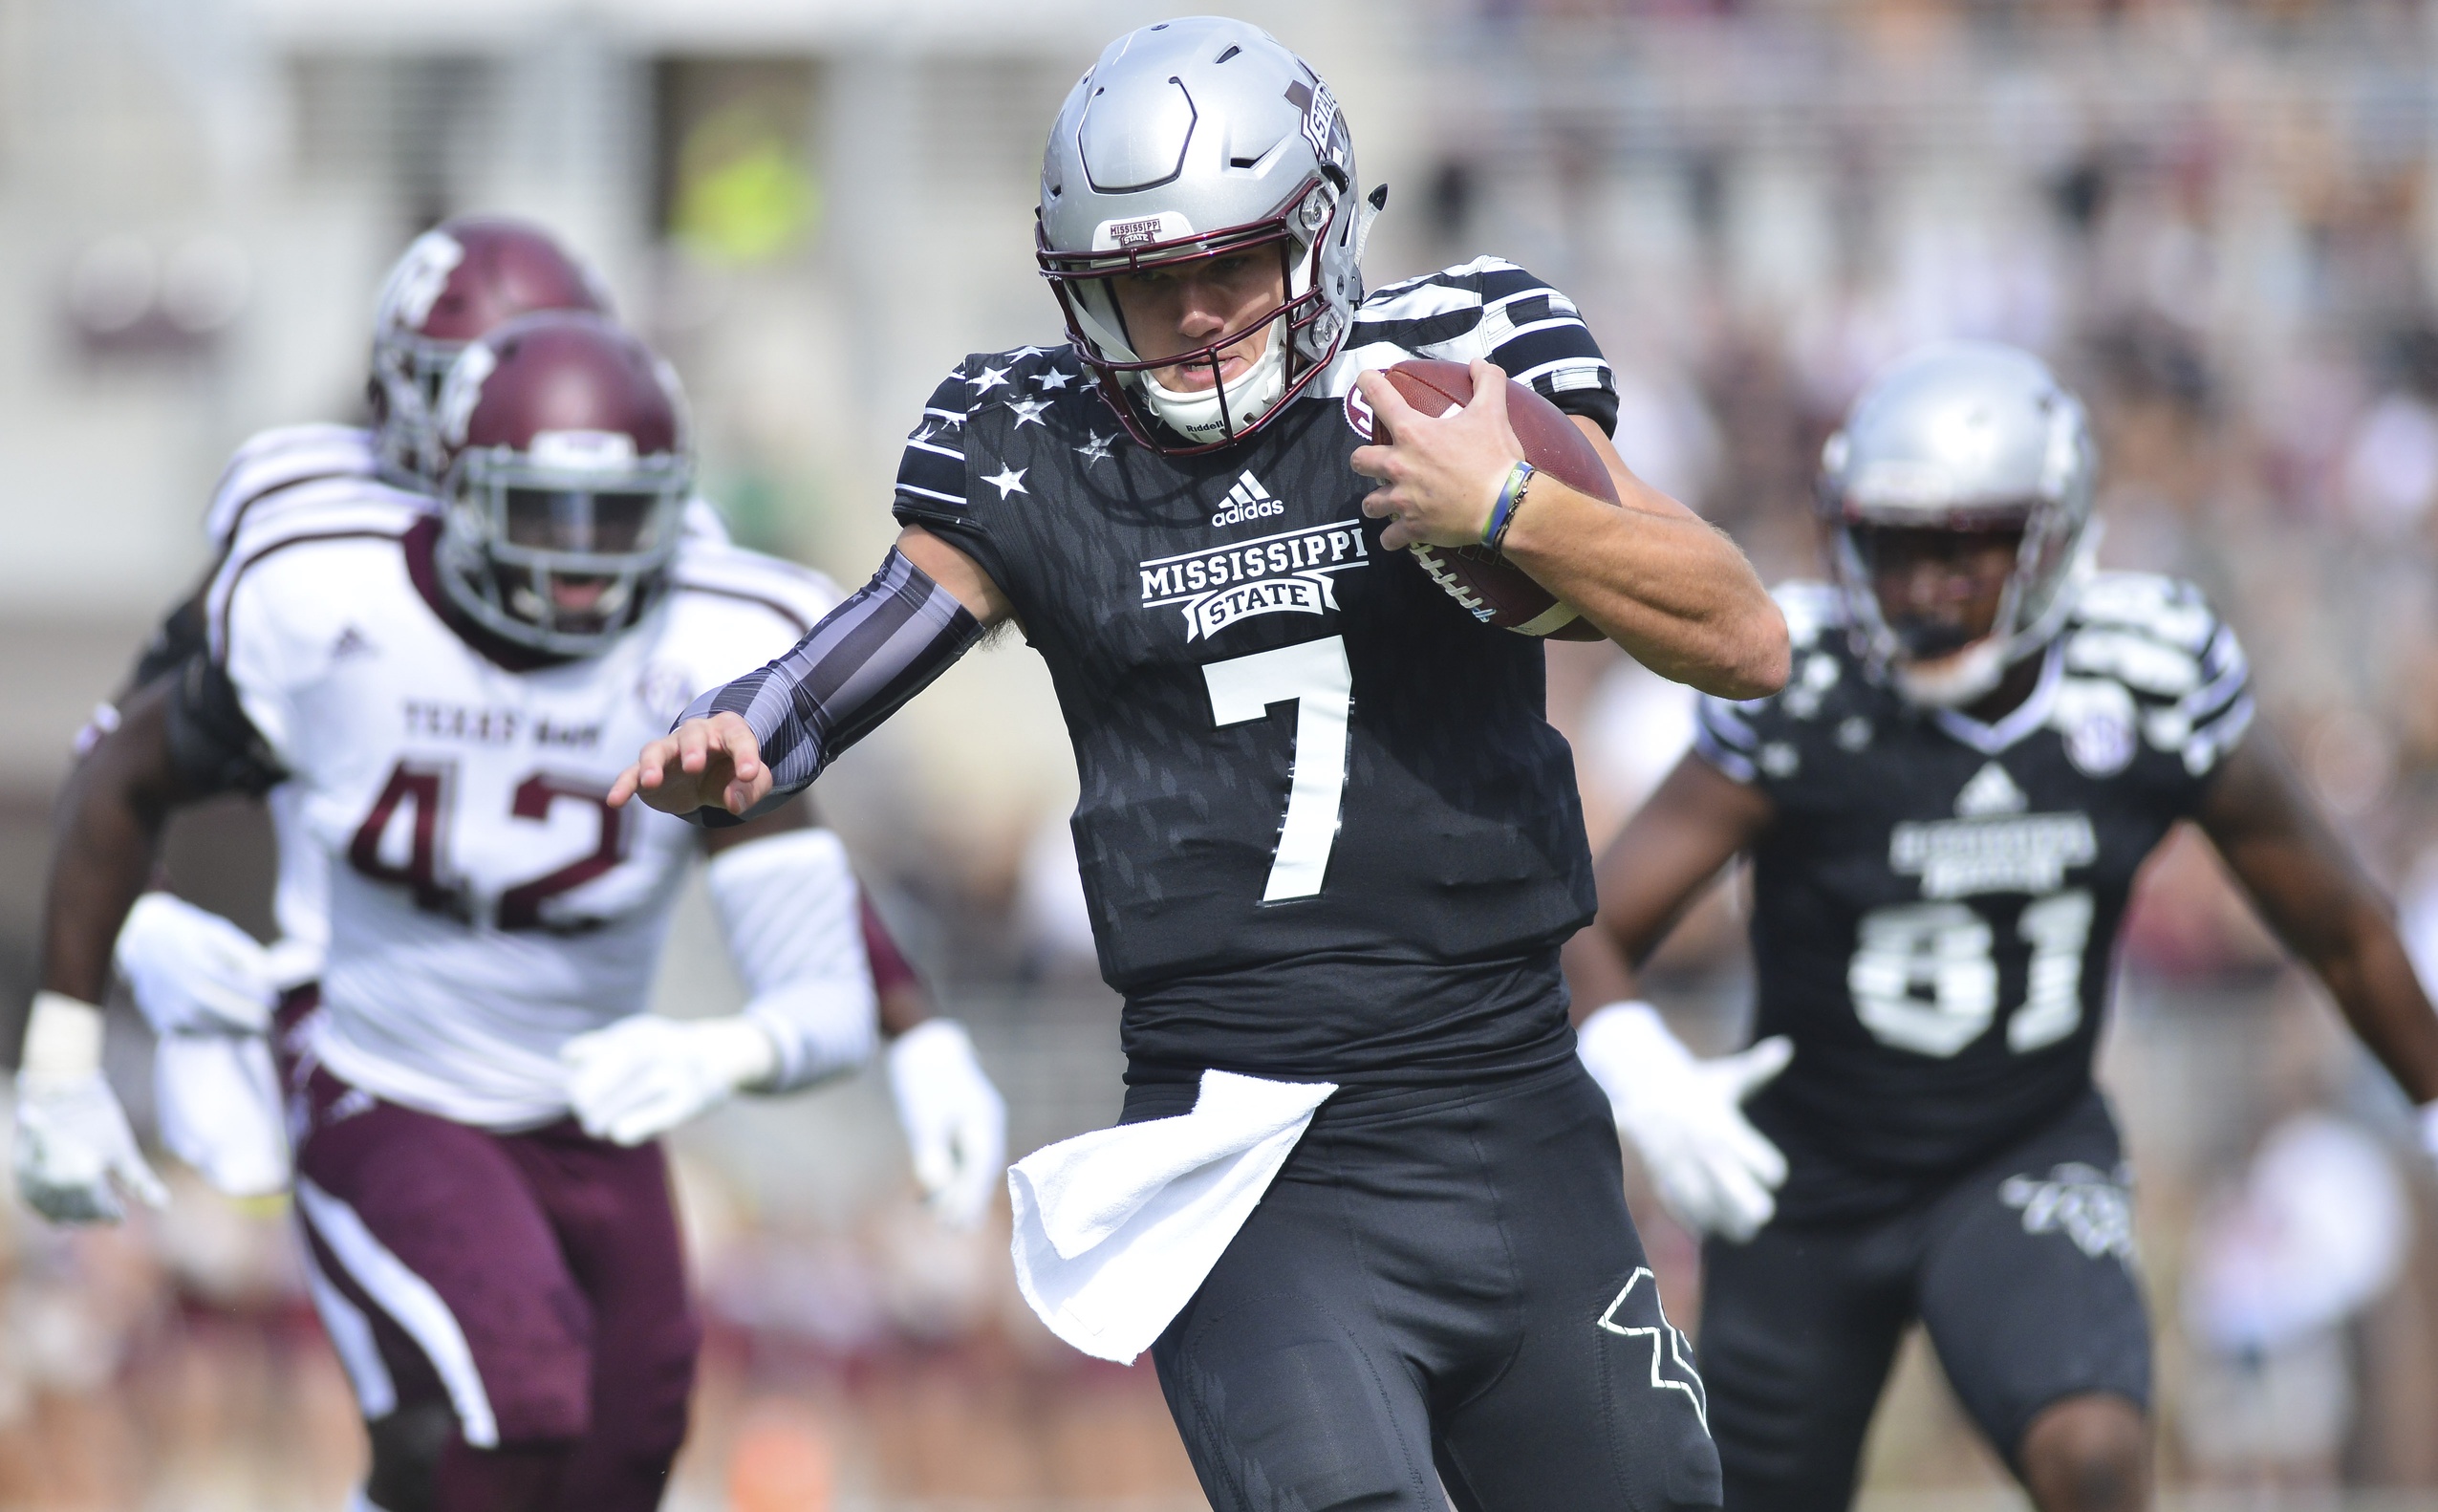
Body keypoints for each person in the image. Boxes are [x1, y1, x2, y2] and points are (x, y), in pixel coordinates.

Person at [614, 18, 1786, 1511]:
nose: (1189, 318)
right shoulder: (1031, 437)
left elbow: (1742, 637)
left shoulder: (1453, 374)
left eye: (1224, 268)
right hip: (1246, 1148)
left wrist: (1498, 504)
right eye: (1141, 284)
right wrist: (755, 725)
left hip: (1512, 1119)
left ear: (1314, 230)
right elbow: (886, 625)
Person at [17, 312, 1007, 1512]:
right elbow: (121, 769)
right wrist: (76, 1035)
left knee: (624, 1453)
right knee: (515, 1400)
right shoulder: (336, 597)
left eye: (613, 516)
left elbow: (784, 878)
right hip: (384, 1068)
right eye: (542, 511)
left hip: (583, 1100)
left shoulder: (711, 635)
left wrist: (902, 1029)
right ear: (456, 488)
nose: (580, 558)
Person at [1564, 340, 2438, 1512]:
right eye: (1895, 543)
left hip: (2019, 1148)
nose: (1923, 585)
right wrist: (1643, 1070)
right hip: (1802, 1172)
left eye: (1966, 546)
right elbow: (1592, 922)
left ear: (2056, 538)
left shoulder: (2144, 671)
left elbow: (2338, 923)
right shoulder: (1808, 678)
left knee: (2093, 1449)